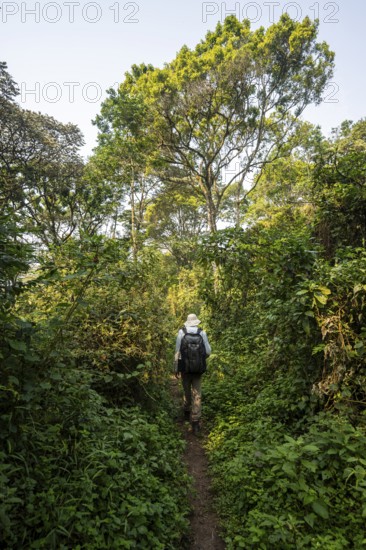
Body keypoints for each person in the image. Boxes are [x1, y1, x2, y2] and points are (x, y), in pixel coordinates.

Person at [174, 313, 211, 434]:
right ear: (196, 322)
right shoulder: (202, 332)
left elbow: (177, 352)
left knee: (187, 391)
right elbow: (208, 352)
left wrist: (176, 368)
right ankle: (195, 421)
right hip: (198, 370)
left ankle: (186, 412)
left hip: (185, 368)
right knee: (197, 394)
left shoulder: (181, 332)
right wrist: (199, 360)